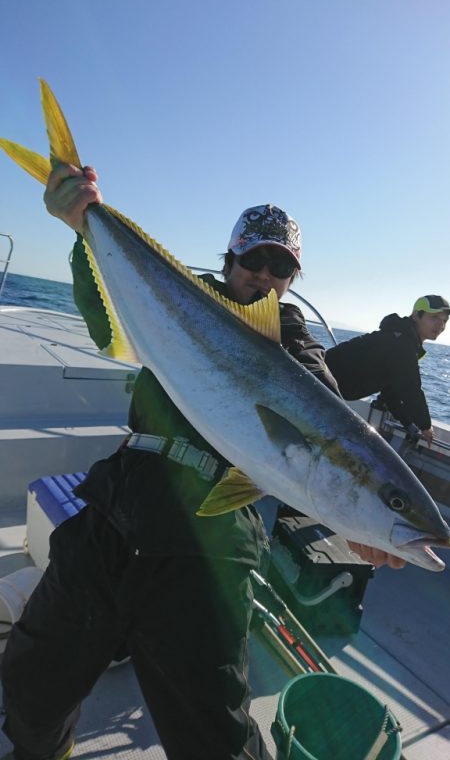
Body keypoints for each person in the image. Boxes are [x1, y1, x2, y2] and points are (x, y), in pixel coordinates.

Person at [1, 171, 341, 760]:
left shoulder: (296, 349)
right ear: (231, 255)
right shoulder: (170, 300)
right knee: (31, 692)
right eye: (252, 257)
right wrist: (84, 229)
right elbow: (107, 318)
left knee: (216, 738)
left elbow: (323, 424)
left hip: (210, 544)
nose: (262, 274)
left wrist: (363, 525)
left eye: (279, 267)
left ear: (292, 281)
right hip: (118, 509)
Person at [325, 295, 450, 448]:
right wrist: (425, 425)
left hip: (327, 388)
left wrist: (408, 423)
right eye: (434, 317)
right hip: (319, 381)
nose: (440, 325)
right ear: (417, 315)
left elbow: (391, 390)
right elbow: (411, 389)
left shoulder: (401, 339)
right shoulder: (402, 344)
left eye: (444, 320)